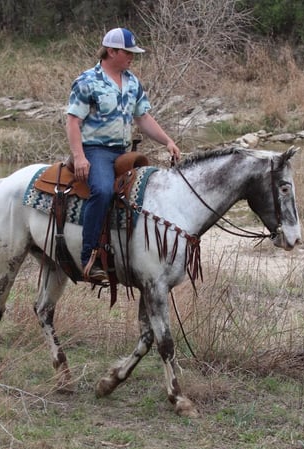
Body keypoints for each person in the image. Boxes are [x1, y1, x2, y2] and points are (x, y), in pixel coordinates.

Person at [66, 27, 181, 282]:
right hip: (95, 150)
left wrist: (167, 141)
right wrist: (79, 156)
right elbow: (73, 121)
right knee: (103, 190)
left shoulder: (132, 82)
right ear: (111, 51)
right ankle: (89, 257)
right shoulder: (87, 81)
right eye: (128, 53)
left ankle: (136, 253)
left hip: (122, 151)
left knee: (148, 191)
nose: (132, 57)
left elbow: (143, 117)